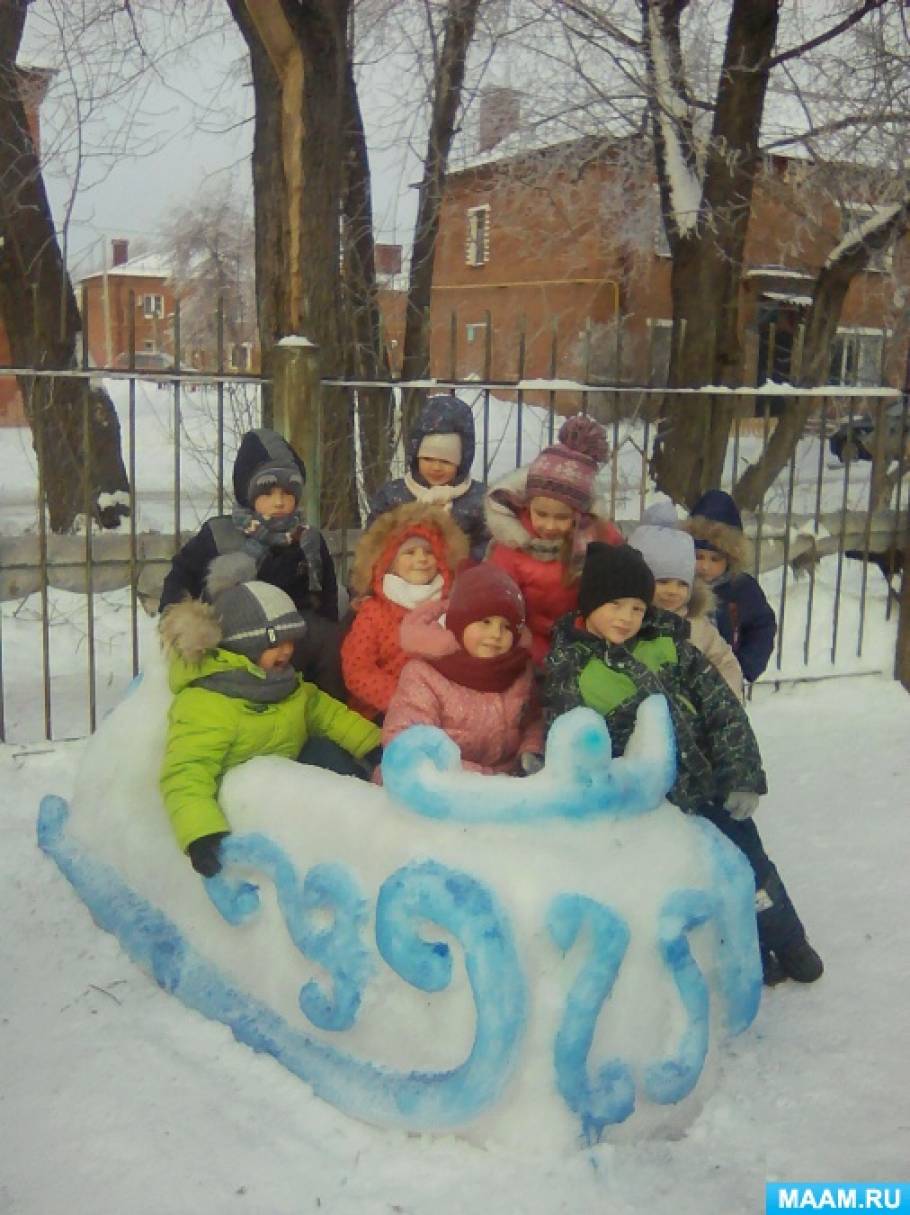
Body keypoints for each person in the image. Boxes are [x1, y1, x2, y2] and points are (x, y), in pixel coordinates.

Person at [542, 541, 823, 986]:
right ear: (590, 604)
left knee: (750, 867)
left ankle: (787, 941)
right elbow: (569, 741)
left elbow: (721, 711)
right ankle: (745, 956)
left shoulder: (669, 645)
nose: (626, 617)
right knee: (698, 884)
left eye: (636, 607)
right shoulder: (569, 667)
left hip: (707, 785)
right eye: (614, 605)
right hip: (650, 807)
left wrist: (741, 776)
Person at [158, 573, 382, 879]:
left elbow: (327, 714)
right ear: (243, 647)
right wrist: (201, 833)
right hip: (246, 807)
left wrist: (373, 745)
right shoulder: (208, 704)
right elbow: (187, 771)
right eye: (276, 643)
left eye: (291, 641)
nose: (288, 651)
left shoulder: (286, 685)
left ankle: (369, 819)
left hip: (289, 787)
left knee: (324, 751)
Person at [158, 428, 345, 699]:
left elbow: (325, 592)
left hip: (295, 637)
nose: (279, 502)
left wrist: (327, 627)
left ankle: (325, 714)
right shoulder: (220, 535)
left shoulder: (307, 540)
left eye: (288, 492)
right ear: (249, 493)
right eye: (267, 493)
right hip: (235, 636)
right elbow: (181, 575)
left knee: (329, 644)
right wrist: (180, 619)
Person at [485, 414, 623, 665]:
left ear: (579, 513)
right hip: (527, 641)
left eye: (562, 517)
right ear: (527, 506)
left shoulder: (598, 538)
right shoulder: (513, 545)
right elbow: (497, 599)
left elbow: (618, 585)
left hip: (583, 639)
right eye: (541, 514)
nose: (549, 526)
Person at [382, 563, 544, 775]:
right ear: (460, 622)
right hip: (437, 786)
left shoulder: (519, 673)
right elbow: (406, 741)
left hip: (507, 785)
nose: (496, 634)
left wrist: (530, 753)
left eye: (506, 627)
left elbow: (532, 722)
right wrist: (483, 778)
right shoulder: (425, 675)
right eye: (485, 622)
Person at [341, 502, 468, 721]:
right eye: (410, 552)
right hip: (383, 709)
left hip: (444, 708)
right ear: (390, 562)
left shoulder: (451, 606)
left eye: (429, 552)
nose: (421, 559)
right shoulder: (374, 611)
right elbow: (357, 670)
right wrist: (405, 700)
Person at [629, 500, 744, 698]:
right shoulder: (628, 623)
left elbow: (723, 663)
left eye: (682, 584)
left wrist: (723, 705)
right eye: (663, 582)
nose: (673, 591)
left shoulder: (697, 625)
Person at [367, 393, 489, 558]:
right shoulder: (394, 495)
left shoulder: (479, 501)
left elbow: (489, 548)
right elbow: (373, 542)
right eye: (428, 459)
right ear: (416, 456)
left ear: (461, 463)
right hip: (400, 579)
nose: (436, 467)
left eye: (446, 461)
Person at [682, 490, 777, 683]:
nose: (705, 566)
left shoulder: (742, 589)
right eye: (698, 556)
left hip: (725, 677)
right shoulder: (678, 585)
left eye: (715, 559)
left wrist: (744, 665)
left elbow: (761, 626)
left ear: (730, 560)